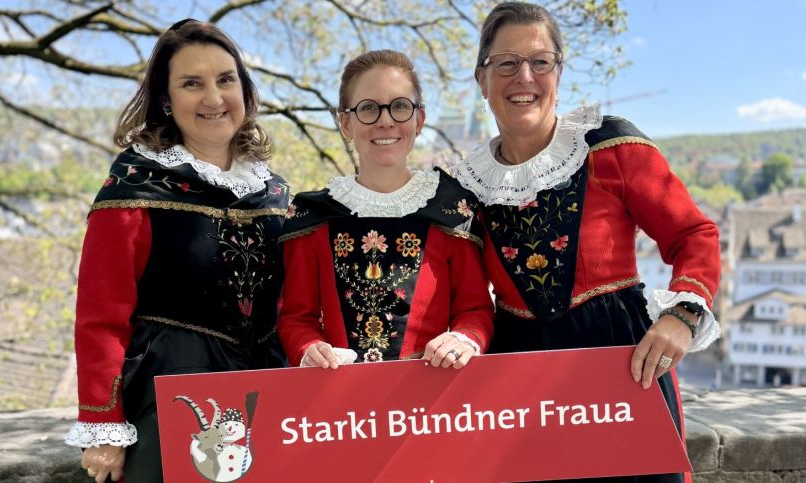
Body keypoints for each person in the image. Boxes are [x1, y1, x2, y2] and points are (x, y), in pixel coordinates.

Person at [454, 2, 721, 482]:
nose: (524, 77)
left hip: (622, 364)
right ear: (482, 79)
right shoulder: (464, 186)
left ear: (559, 72)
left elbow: (692, 234)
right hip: (516, 379)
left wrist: (681, 318)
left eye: (540, 62)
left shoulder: (610, 147)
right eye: (507, 63)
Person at [63, 19, 288, 483]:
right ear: (166, 100)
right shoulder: (135, 184)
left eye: (226, 80)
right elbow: (100, 315)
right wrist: (104, 425)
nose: (213, 98)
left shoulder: (273, 190)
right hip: (174, 392)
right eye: (192, 83)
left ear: (244, 90)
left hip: (266, 392)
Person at [277, 50, 493, 370]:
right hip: (337, 405)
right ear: (345, 123)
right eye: (368, 108)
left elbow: (475, 310)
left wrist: (461, 339)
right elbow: (296, 317)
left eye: (400, 106)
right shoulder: (313, 216)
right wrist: (310, 348)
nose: (386, 120)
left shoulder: (452, 210)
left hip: (433, 402)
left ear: (419, 120)